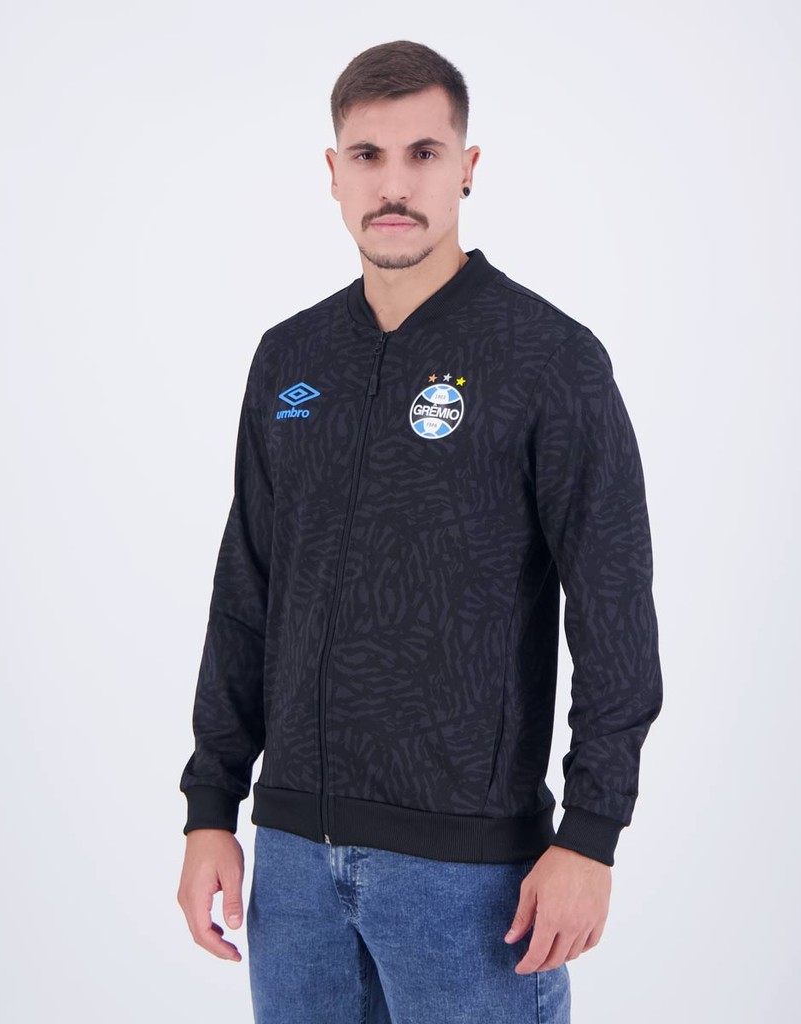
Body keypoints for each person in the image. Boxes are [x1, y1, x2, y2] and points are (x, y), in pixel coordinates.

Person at [177, 39, 663, 1024]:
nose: (393, 185)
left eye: (423, 154)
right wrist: (210, 808)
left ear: (467, 167)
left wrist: (591, 834)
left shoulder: (549, 359)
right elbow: (247, 594)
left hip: (466, 879)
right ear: (333, 171)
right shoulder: (290, 358)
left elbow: (612, 607)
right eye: (368, 156)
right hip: (293, 868)